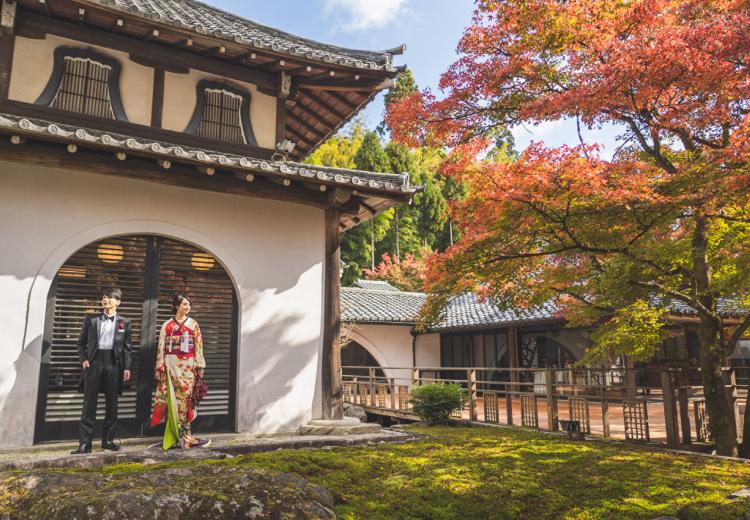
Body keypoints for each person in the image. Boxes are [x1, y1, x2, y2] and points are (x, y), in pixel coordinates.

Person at [71, 288, 132, 454]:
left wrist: (126, 367)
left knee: (112, 405)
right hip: (94, 363)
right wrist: (84, 359)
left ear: (118, 302)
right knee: (89, 404)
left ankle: (108, 441)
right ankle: (85, 444)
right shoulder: (91, 320)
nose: (106, 299)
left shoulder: (124, 322)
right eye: (104, 297)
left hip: (114, 364)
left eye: (110, 297)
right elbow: (80, 343)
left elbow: (127, 347)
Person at [150, 294, 209, 449]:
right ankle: (173, 435)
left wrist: (199, 365)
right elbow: (161, 347)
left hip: (188, 367)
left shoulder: (193, 324)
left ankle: (186, 435)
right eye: (184, 304)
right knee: (171, 400)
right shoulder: (167, 325)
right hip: (170, 366)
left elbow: (199, 345)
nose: (187, 307)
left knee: (185, 400)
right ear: (176, 306)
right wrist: (159, 367)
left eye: (189, 304)